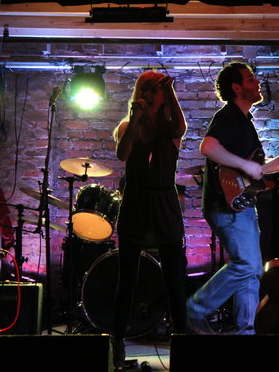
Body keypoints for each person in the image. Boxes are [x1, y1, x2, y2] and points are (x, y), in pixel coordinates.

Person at [186, 62, 279, 335]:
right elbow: (208, 147)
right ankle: (195, 308)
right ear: (236, 88)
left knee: (252, 272)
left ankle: (245, 331)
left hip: (242, 205)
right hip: (226, 206)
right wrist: (245, 165)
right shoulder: (229, 116)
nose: (258, 83)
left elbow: (256, 170)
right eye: (251, 80)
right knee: (246, 266)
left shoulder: (244, 121)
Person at [111, 70, 188, 369]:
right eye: (146, 89)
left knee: (174, 278)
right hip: (136, 201)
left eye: (154, 89)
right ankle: (117, 343)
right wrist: (135, 117)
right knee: (126, 279)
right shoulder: (128, 126)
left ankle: (182, 341)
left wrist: (170, 91)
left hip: (164, 201)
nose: (149, 94)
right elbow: (122, 155)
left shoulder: (170, 128)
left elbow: (180, 127)